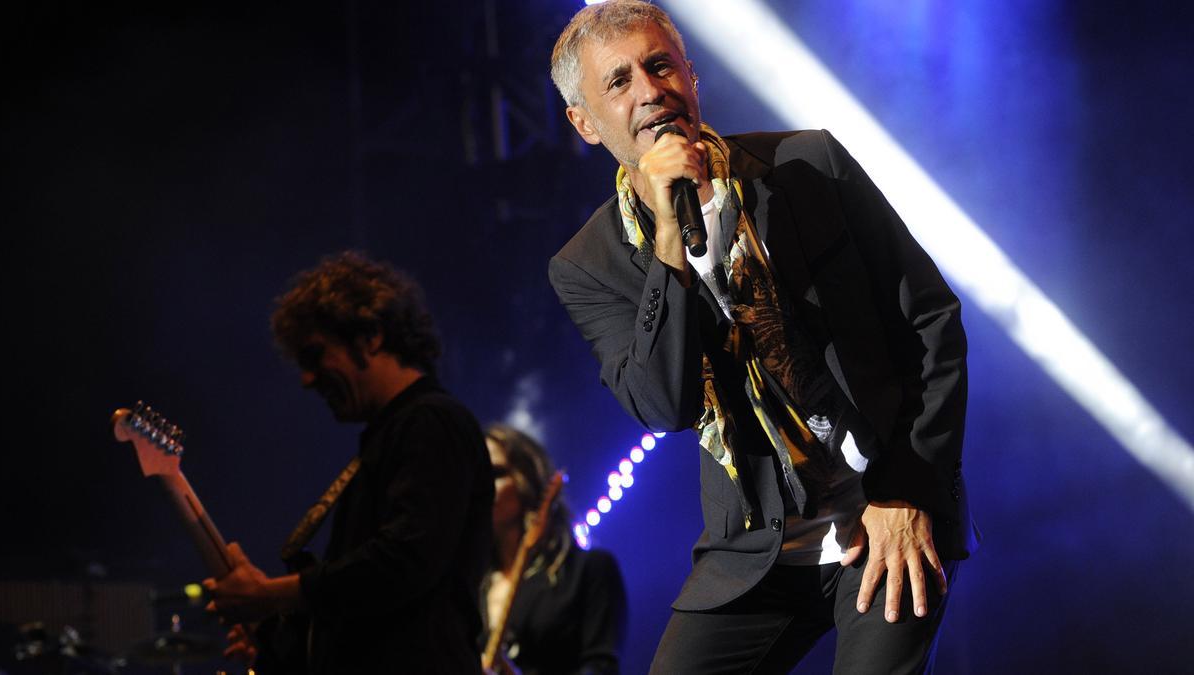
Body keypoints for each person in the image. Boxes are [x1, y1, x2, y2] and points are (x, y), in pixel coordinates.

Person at [546, 2, 978, 673]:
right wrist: (668, 245)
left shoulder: (808, 165)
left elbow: (933, 321)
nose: (650, 90)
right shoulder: (587, 264)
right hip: (755, 549)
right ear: (585, 123)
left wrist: (910, 490)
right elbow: (666, 405)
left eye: (660, 65)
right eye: (619, 81)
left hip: (887, 507)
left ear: (691, 75)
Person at [203, 251, 493, 674]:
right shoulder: (391, 434)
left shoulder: (431, 420)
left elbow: (404, 561)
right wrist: (277, 637)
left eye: (314, 355)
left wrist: (273, 594)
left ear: (370, 336)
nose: (307, 378)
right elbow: (366, 611)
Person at [481, 424, 626, 675]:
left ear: (526, 479)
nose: (481, 485)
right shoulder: (473, 582)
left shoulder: (589, 569)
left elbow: (600, 666)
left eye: (495, 473)